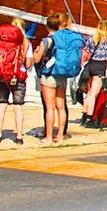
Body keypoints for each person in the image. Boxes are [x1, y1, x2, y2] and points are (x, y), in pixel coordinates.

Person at [31, 11, 78, 144]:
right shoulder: (63, 40)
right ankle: (61, 136)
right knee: (61, 107)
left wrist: (35, 54)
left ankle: (49, 137)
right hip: (62, 75)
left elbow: (37, 59)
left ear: (47, 26)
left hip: (49, 75)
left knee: (50, 108)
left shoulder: (46, 40)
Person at [0, 16, 31, 145]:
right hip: (18, 77)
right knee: (18, 107)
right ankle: (19, 136)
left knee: (2, 105)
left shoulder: (1, 41)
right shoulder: (26, 43)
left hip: (2, 76)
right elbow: (28, 64)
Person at [79, 20, 107, 128]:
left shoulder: (92, 38)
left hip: (90, 65)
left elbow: (85, 53)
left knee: (88, 93)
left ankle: (84, 116)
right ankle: (89, 118)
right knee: (94, 93)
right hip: (100, 66)